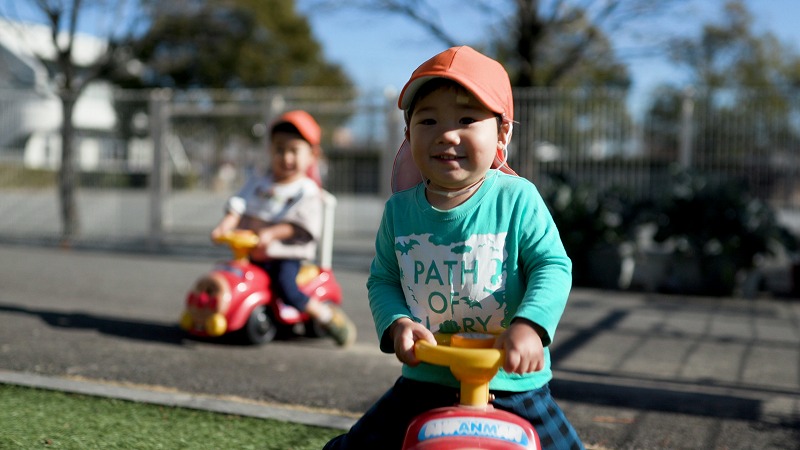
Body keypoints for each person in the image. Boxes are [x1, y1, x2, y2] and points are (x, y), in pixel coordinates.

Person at [324, 46, 583, 448]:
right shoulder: (399, 211)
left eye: (466, 119)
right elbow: (384, 280)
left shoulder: (517, 199)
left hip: (512, 383)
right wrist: (398, 324)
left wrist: (530, 325)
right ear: (409, 135)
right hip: (426, 377)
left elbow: (552, 266)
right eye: (428, 120)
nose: (447, 133)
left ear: (503, 132)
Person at [210, 110, 356, 347]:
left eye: (293, 150)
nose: (286, 157)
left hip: (284, 256)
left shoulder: (306, 191)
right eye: (279, 149)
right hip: (253, 252)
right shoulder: (260, 182)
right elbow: (238, 204)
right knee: (230, 274)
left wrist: (270, 234)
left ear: (312, 155)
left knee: (286, 287)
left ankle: (327, 317)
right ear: (270, 151)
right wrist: (224, 226)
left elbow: (299, 224)